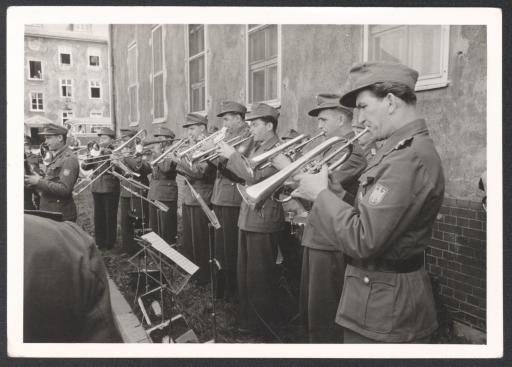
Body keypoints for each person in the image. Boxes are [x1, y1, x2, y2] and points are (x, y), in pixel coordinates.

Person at [294, 61, 445, 343]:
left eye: (363, 107)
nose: (359, 120)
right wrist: (334, 192)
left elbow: (363, 240)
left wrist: (321, 196)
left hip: (385, 306)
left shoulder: (407, 157)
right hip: (377, 297)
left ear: (390, 102)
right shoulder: (397, 152)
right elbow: (371, 217)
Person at [298, 93, 367, 343]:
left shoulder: (353, 152)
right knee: (309, 307)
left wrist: (301, 173)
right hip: (314, 234)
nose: (319, 126)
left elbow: (325, 189)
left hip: (330, 240)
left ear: (340, 118)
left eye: (323, 120)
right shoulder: (327, 149)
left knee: (324, 310)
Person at [217, 103, 285, 333]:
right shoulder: (257, 147)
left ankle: (259, 326)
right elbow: (242, 176)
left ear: (269, 125)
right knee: (245, 273)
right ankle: (246, 319)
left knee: (259, 277)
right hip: (248, 216)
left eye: (255, 124)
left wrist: (233, 155)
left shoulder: (277, 149)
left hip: (264, 219)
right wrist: (226, 160)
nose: (252, 129)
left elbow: (256, 178)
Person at [24, 211, 122, 342]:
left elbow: (65, 190)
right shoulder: (70, 240)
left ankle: (108, 242)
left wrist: (39, 188)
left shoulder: (63, 240)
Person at [209, 101, 251, 301]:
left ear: (238, 118)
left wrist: (216, 153)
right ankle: (221, 289)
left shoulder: (246, 137)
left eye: (226, 119)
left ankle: (232, 293)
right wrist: (211, 152)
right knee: (220, 248)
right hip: (220, 197)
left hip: (233, 198)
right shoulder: (228, 136)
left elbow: (238, 170)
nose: (224, 124)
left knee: (231, 248)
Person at [173, 113, 216, 285]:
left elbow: (200, 172)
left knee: (201, 240)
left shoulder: (207, 146)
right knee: (189, 241)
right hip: (189, 198)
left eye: (191, 129)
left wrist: (179, 161)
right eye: (188, 129)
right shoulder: (193, 145)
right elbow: (186, 172)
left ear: (202, 128)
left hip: (202, 197)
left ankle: (204, 277)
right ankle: (191, 274)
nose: (189, 133)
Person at [24, 123, 79, 221]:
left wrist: (38, 182)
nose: (46, 142)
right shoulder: (57, 156)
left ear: (59, 138)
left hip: (60, 215)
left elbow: (64, 189)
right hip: (51, 212)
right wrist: (34, 183)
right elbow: (51, 181)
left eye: (48, 138)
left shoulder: (69, 159)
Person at [81, 127, 120, 250]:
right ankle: (99, 241)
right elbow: (85, 166)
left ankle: (110, 243)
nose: (101, 140)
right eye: (100, 138)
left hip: (110, 187)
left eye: (104, 138)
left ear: (112, 140)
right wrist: (90, 155)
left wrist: (109, 155)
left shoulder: (116, 151)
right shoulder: (96, 151)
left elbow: (119, 169)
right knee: (98, 216)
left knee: (110, 216)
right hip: (96, 187)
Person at [147, 126, 179, 245]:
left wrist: (158, 153)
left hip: (167, 194)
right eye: (157, 139)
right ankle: (158, 253)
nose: (157, 142)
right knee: (155, 226)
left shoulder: (173, 151)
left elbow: (166, 169)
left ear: (168, 140)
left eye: (160, 139)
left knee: (167, 228)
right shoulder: (157, 153)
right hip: (154, 192)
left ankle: (169, 257)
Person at [24, 134, 42, 210]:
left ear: (30, 145)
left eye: (26, 144)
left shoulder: (34, 157)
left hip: (28, 187)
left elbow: (35, 172)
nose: (24, 146)